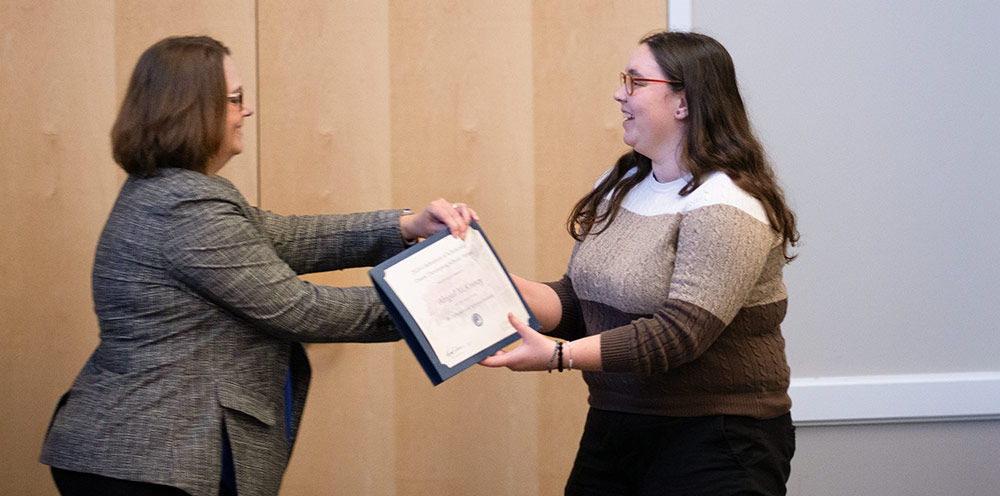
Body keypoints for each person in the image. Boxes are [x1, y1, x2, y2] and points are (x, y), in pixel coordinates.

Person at [38, 35, 476, 496]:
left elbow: (287, 238)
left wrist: (407, 225)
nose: (246, 111)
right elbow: (300, 310)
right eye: (235, 99)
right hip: (153, 459)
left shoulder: (176, 191)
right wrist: (439, 299)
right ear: (194, 109)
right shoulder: (183, 206)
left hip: (143, 455)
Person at [481, 30, 799, 495]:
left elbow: (680, 334)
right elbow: (581, 304)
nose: (619, 94)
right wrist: (491, 282)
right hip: (617, 425)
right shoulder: (624, 182)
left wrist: (559, 357)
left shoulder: (729, 202)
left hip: (719, 438)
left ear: (683, 102)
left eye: (634, 82)